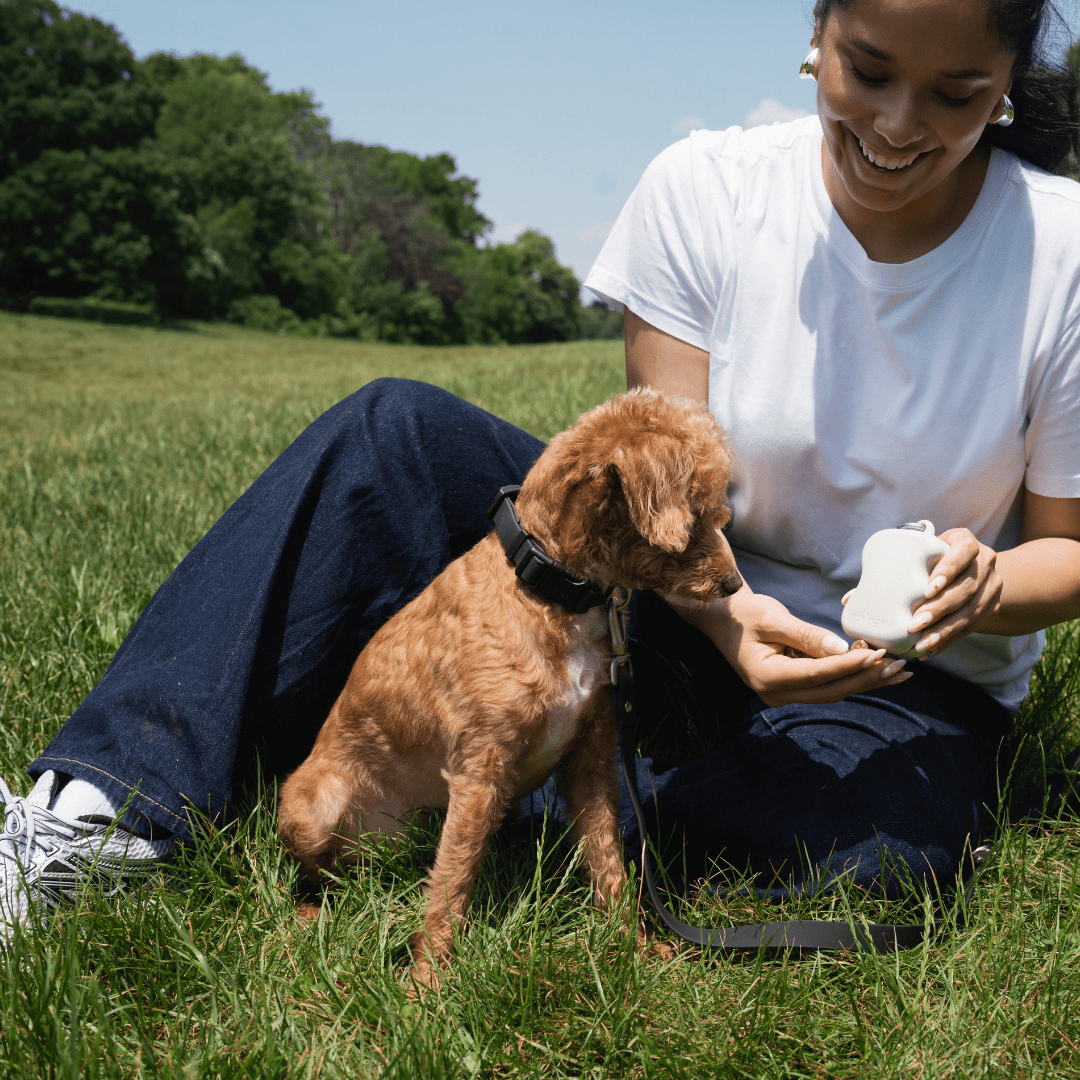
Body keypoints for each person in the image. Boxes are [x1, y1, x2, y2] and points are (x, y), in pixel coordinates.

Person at [3, 0, 1080, 933]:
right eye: (870, 70)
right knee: (398, 438)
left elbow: (1066, 554)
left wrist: (982, 591)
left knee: (868, 849)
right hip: (663, 608)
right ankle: (96, 812)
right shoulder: (706, 189)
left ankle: (454, 763)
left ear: (1004, 93)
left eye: (953, 94)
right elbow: (652, 478)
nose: (897, 125)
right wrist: (727, 620)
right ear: (816, 38)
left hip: (895, 679)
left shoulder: (1060, 252)